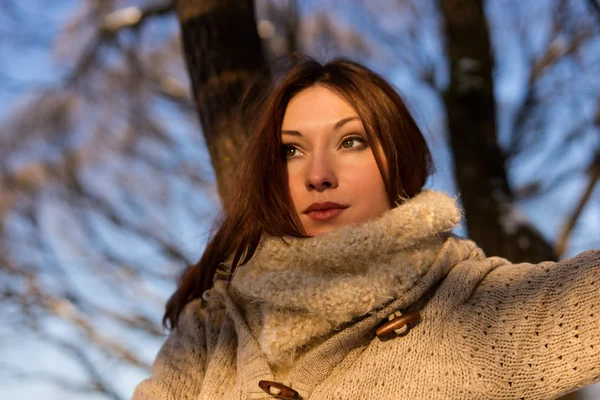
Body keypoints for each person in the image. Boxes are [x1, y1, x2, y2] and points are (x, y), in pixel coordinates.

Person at [132, 57, 600, 400]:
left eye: (351, 141)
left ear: (397, 161)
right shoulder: (213, 324)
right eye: (290, 151)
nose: (318, 174)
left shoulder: (473, 306)